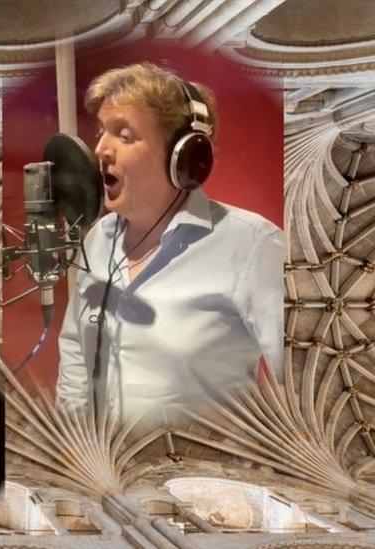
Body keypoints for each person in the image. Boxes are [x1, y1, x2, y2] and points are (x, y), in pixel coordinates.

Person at [56, 62, 283, 420]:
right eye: (101, 131)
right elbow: (75, 350)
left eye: (124, 135)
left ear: (185, 155)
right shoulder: (98, 238)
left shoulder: (253, 244)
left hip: (203, 471)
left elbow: (307, 384)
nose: (100, 148)